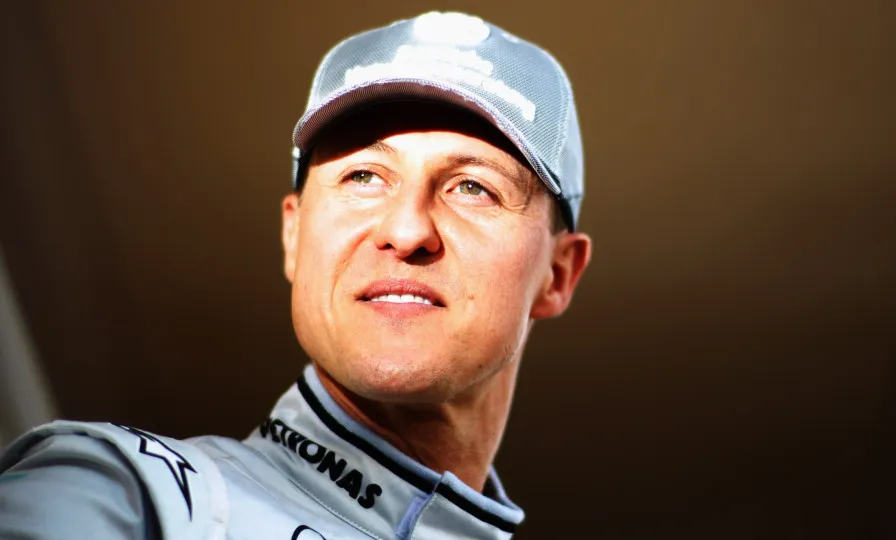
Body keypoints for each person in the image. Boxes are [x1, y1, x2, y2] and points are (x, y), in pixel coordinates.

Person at [0, 11, 591, 539]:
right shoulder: (123, 493)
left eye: (473, 187)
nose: (407, 229)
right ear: (293, 233)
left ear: (559, 274)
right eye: (363, 176)